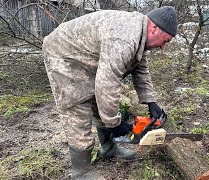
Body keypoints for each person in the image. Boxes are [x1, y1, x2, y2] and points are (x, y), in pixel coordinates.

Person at [42, 6, 178, 179]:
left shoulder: (139, 35)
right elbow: (108, 82)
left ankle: (108, 148)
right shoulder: (124, 38)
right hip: (63, 54)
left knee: (99, 101)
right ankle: (81, 172)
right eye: (165, 40)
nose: (162, 47)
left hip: (86, 56)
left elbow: (140, 68)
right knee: (77, 106)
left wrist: (150, 101)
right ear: (154, 28)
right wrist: (114, 123)